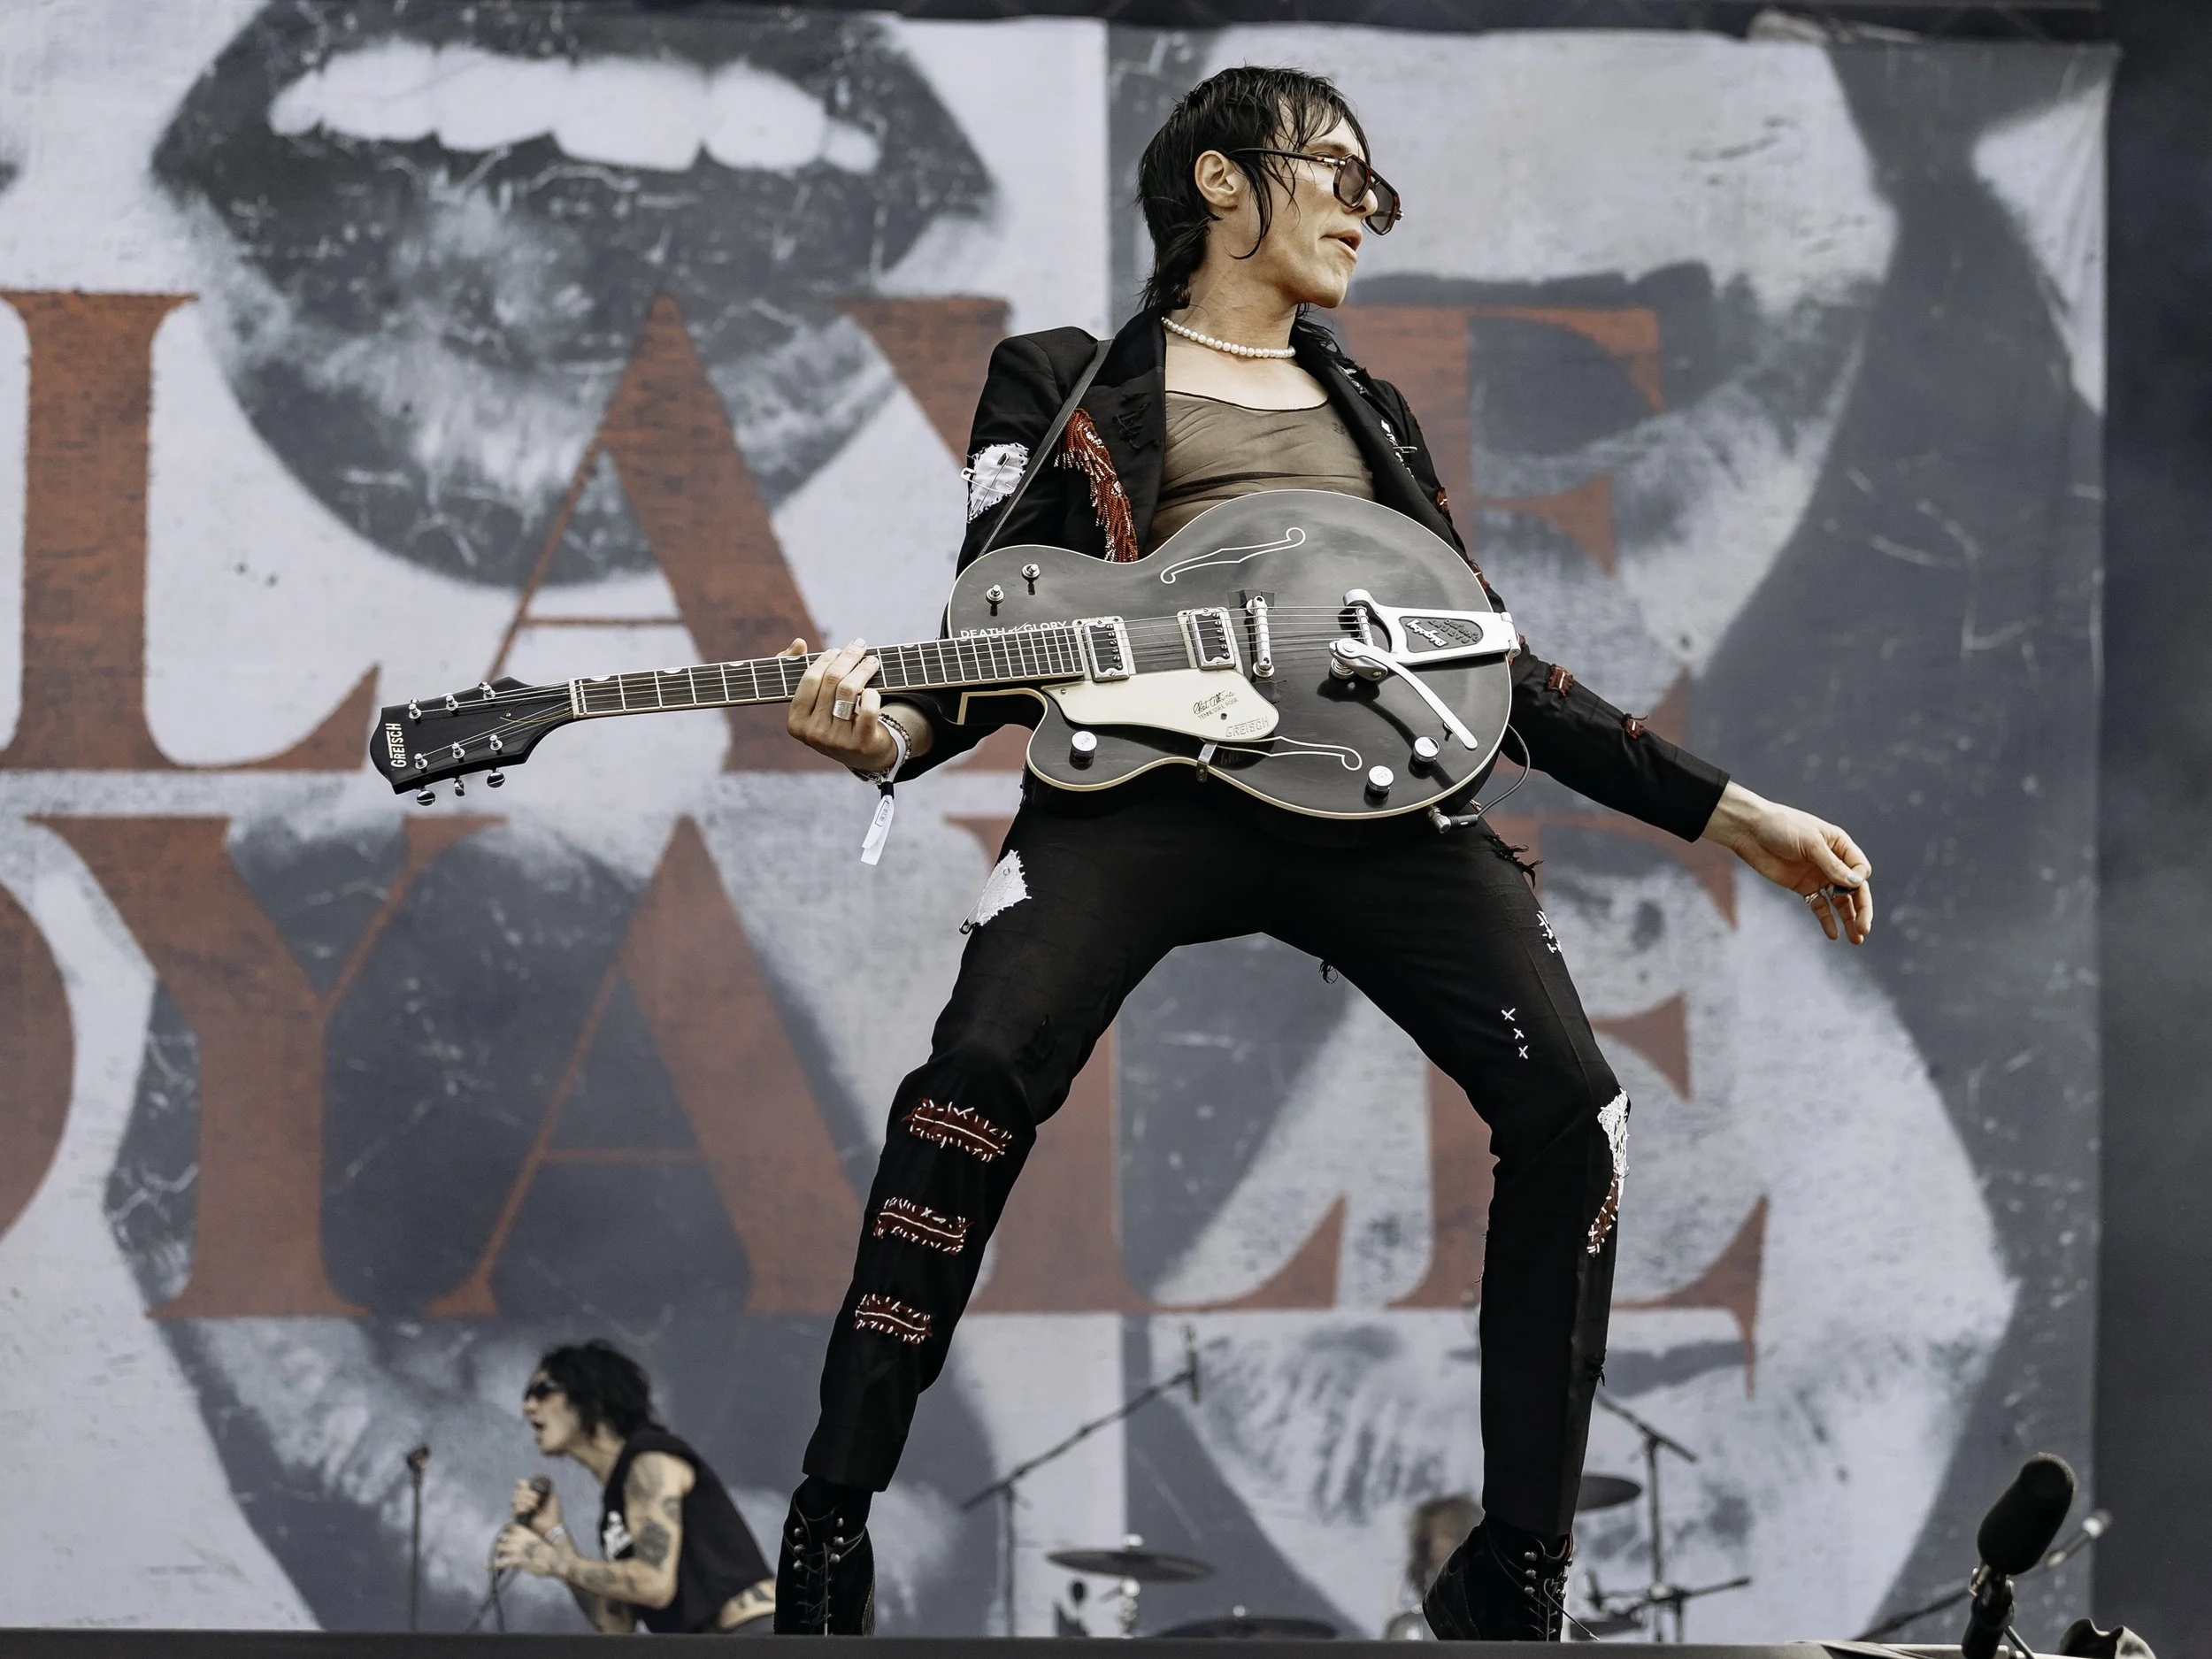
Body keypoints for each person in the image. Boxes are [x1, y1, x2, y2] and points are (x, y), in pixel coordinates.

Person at [770, 65, 1874, 1641]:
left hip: (1376, 812)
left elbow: (1489, 668)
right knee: (975, 1072)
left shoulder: (1376, 415)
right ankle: (832, 1514)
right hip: (1140, 800)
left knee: (1577, 1105)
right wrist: (884, 734)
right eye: (1339, 172)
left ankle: (1517, 1567)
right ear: (1223, 181)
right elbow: (1001, 627)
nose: (1366, 207)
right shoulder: (1063, 382)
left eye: (1375, 186)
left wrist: (1736, 813)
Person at [492, 1340, 774, 1633]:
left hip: (754, 1636)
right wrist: (555, 1534)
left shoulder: (650, 1459)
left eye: (542, 1390)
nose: (528, 1406)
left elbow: (653, 1582)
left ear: (592, 1396)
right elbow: (614, 1623)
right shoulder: (618, 1501)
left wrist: (552, 1561)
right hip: (710, 1646)